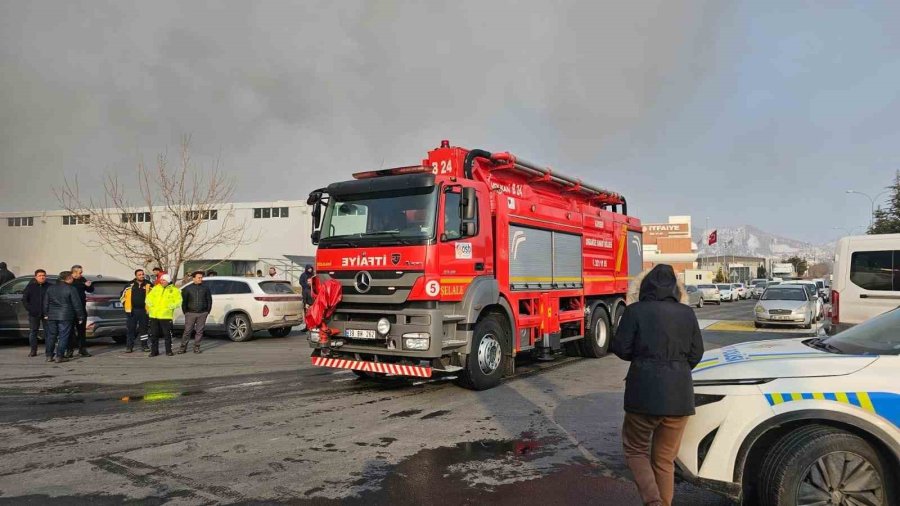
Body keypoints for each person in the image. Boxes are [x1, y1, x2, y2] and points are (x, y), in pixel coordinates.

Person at [611, 264, 704, 506]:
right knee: (664, 460)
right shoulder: (687, 313)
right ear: (675, 288)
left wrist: (643, 359)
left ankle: (653, 501)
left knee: (635, 449)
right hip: (679, 398)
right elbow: (697, 353)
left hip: (643, 395)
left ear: (645, 286)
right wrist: (677, 371)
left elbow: (621, 348)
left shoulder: (635, 312)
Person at [43, 271, 84, 363]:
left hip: (52, 315)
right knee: (63, 336)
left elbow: (45, 302)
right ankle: (59, 356)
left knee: (51, 336)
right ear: (68, 278)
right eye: (72, 278)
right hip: (66, 315)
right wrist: (80, 316)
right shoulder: (71, 289)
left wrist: (46, 314)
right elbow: (77, 304)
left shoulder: (50, 288)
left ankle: (49, 356)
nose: (73, 279)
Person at [145, 274, 182, 357]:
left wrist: (171, 306)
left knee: (167, 334)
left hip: (166, 316)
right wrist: (150, 304)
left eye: (164, 280)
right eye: (161, 280)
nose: (162, 281)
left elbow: (179, 301)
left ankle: (168, 351)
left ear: (168, 281)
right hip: (154, 315)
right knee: (154, 334)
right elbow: (148, 298)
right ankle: (154, 351)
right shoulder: (155, 288)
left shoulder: (174, 290)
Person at [179, 271, 212, 354]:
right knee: (187, 331)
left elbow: (209, 300)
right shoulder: (187, 289)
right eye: (199, 277)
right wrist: (186, 312)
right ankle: (183, 348)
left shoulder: (205, 288)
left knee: (199, 331)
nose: (201, 279)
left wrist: (207, 311)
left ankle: (196, 347)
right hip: (190, 313)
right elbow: (184, 302)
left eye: (201, 278)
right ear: (194, 278)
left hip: (202, 313)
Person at [121, 269, 152, 353]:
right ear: (136, 276)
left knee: (144, 330)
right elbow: (122, 297)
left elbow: (154, 296)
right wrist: (126, 305)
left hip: (144, 311)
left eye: (142, 274)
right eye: (139, 274)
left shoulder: (149, 284)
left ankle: (144, 346)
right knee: (131, 329)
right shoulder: (129, 285)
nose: (141, 276)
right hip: (132, 311)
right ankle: (129, 346)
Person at [22, 269, 50, 357]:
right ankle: (33, 350)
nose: (42, 277)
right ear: (35, 277)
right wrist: (30, 309)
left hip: (47, 313)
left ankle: (49, 351)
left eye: (43, 275)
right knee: (33, 332)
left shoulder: (50, 286)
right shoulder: (31, 287)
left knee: (48, 332)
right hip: (34, 313)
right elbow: (25, 300)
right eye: (40, 275)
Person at [68, 264, 93, 358]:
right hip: (70, 310)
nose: (82, 274)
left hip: (81, 309)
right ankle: (69, 350)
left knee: (81, 331)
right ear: (74, 272)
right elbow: (71, 287)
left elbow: (90, 290)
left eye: (82, 272)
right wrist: (83, 284)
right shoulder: (69, 280)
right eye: (80, 272)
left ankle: (82, 349)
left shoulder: (82, 279)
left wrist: (89, 285)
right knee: (69, 331)